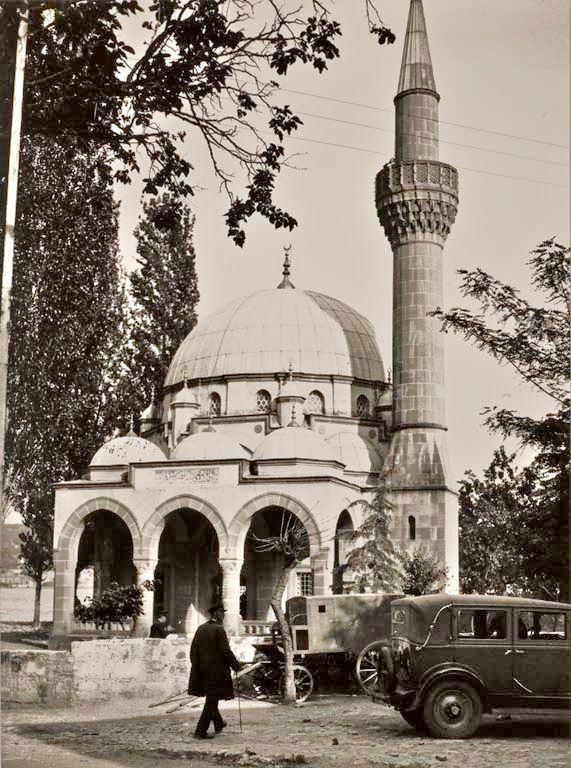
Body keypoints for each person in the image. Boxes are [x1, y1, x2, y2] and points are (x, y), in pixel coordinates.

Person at [188, 603, 241, 740]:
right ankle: (200, 731)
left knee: (212, 698)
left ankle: (218, 723)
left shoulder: (201, 628)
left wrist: (197, 667)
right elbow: (225, 651)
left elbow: (193, 651)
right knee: (211, 701)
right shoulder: (219, 630)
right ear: (216, 613)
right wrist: (236, 665)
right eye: (222, 613)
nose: (223, 615)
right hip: (216, 672)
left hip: (201, 671)